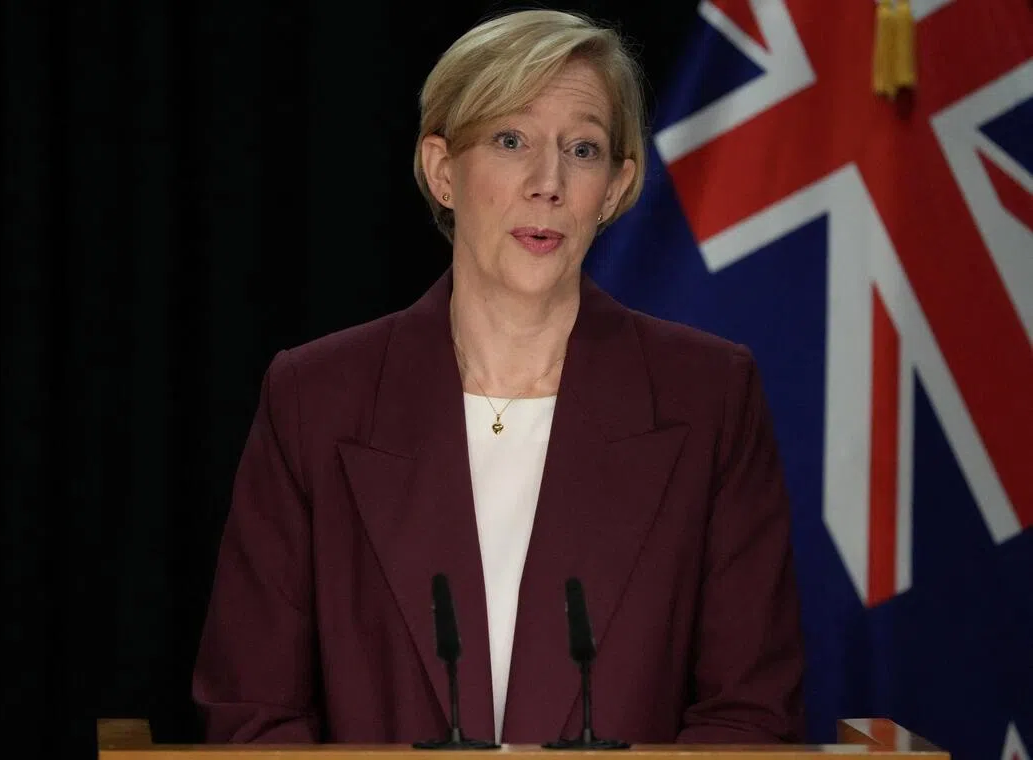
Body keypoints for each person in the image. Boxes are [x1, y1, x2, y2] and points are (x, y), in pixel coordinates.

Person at [192, 8, 805, 746]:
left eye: (582, 149)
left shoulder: (709, 398)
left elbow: (749, 713)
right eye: (511, 141)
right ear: (442, 170)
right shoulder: (316, 399)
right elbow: (252, 712)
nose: (548, 183)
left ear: (613, 189)